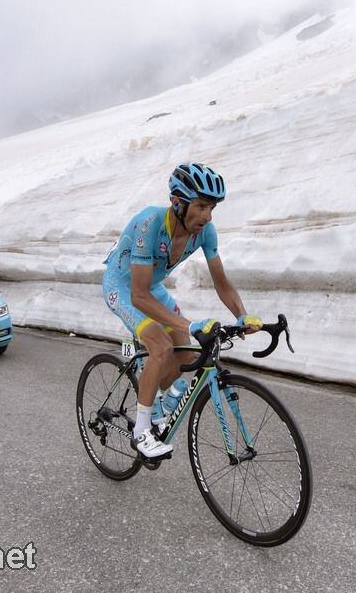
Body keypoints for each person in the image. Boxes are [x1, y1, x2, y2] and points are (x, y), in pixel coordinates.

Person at [101, 163, 262, 458]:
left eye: (211, 208)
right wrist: (188, 324)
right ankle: (141, 432)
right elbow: (138, 295)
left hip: (152, 288)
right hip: (122, 287)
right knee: (161, 345)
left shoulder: (205, 232)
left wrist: (242, 315)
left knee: (188, 350)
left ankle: (157, 397)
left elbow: (222, 283)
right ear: (177, 202)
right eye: (200, 206)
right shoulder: (150, 223)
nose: (207, 216)